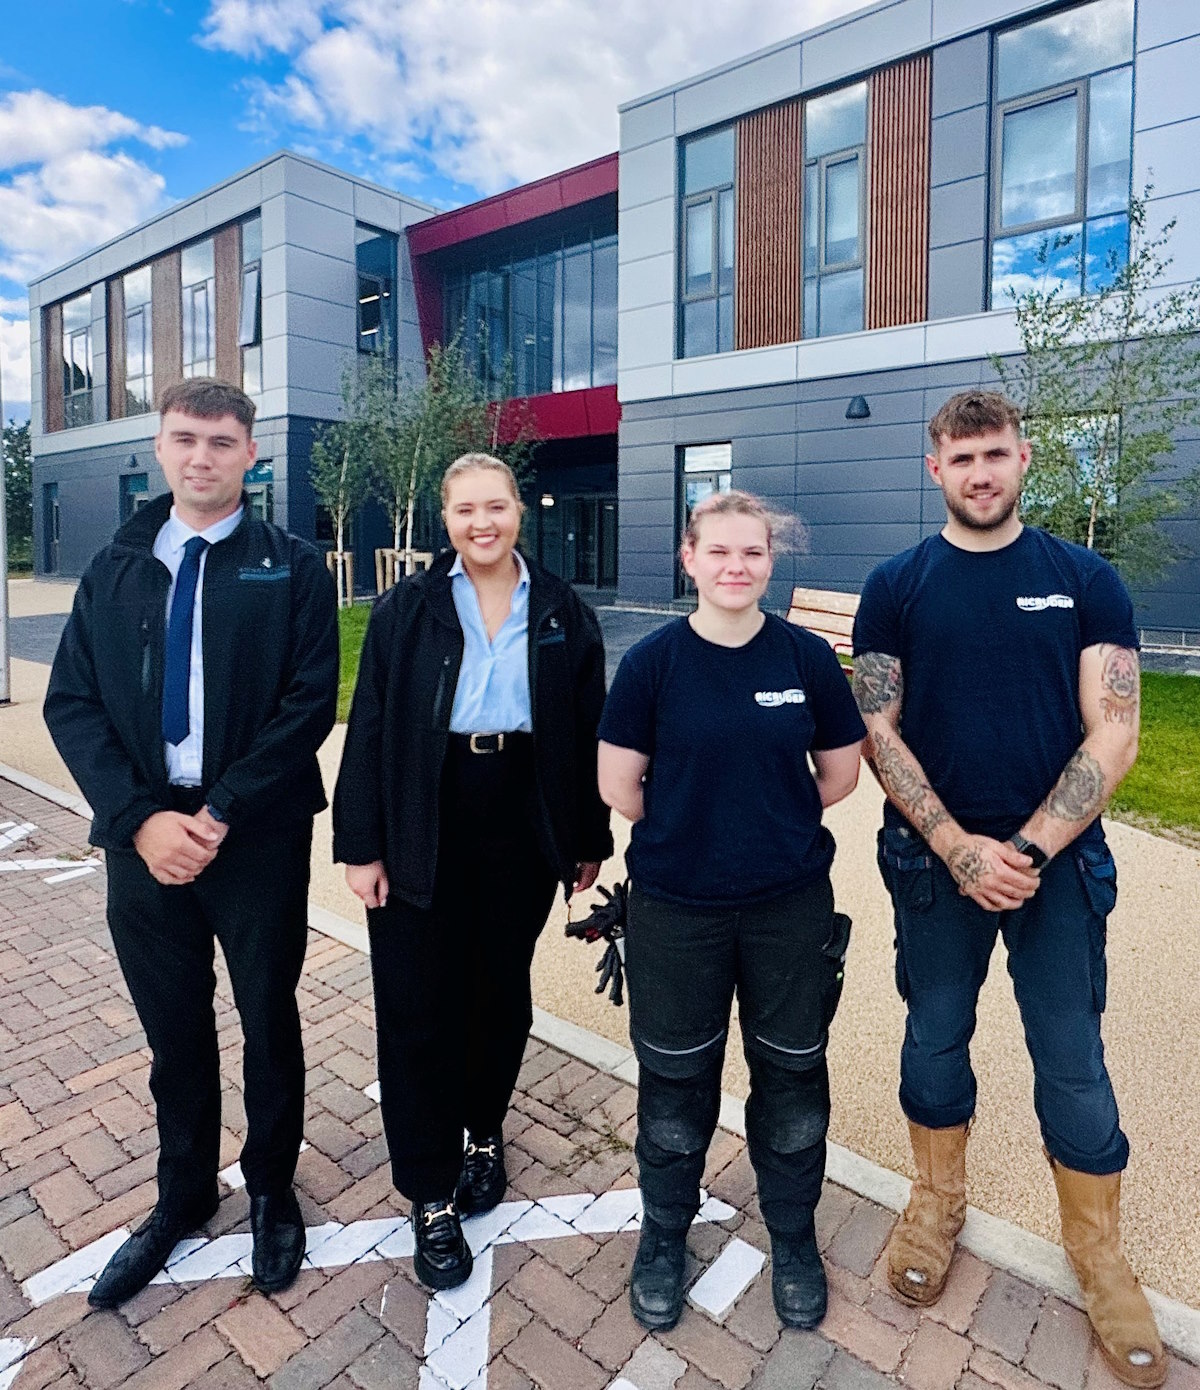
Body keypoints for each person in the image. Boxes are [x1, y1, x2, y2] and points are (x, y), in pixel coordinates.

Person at [852, 390, 1164, 1387]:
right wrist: (955, 847)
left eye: (997, 454)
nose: (981, 471)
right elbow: (877, 728)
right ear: (933, 468)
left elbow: (1114, 730)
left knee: (1071, 1059)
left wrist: (1019, 850)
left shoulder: (1085, 578)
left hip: (1059, 870)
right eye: (962, 457)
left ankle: (1099, 1253)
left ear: (1025, 458)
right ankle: (936, 1200)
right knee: (933, 1035)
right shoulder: (895, 585)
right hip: (931, 866)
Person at [44, 378, 338, 1306]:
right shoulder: (115, 566)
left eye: (220, 441)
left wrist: (215, 818)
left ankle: (271, 1190)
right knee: (174, 1033)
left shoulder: (291, 564)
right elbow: (73, 703)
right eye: (185, 439)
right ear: (161, 449)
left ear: (251, 454)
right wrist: (140, 821)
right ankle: (181, 1195)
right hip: (144, 835)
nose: (202, 456)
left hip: (251, 834)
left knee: (268, 1019)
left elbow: (307, 707)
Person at [333, 452, 612, 1292]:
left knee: (499, 993)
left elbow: (586, 730)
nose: (481, 522)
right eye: (464, 510)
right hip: (426, 812)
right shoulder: (407, 609)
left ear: (519, 510)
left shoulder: (563, 609)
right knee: (417, 1006)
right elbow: (370, 727)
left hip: (519, 818)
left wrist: (587, 838)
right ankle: (428, 1193)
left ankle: (484, 1134)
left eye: (495, 506)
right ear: (444, 517)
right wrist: (360, 845)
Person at [597, 490, 866, 1333]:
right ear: (690, 560)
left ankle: (793, 1239)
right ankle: (664, 1239)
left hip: (788, 909)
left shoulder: (806, 659)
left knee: (791, 1085)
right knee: (675, 1091)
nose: (735, 566)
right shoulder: (652, 664)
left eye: (751, 553)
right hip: (678, 912)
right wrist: (696, 829)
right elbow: (618, 787)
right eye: (719, 552)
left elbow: (842, 774)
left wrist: (770, 826)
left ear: (769, 563)